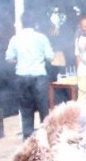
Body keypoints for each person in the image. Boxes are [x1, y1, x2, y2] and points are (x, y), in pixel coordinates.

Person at [5, 10, 54, 139]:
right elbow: (50, 57)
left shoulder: (15, 38)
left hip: (22, 76)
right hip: (39, 77)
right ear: (35, 23)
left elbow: (9, 58)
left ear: (22, 23)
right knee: (43, 108)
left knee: (26, 109)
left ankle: (28, 139)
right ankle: (46, 136)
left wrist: (20, 59)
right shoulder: (41, 38)